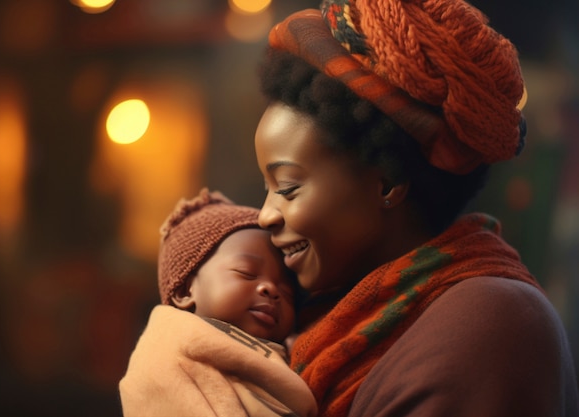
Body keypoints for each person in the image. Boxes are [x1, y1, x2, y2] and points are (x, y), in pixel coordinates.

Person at [119, 0, 579, 416]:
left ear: (388, 182)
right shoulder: (322, 316)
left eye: (289, 187)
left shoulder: (488, 324)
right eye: (266, 188)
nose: (265, 215)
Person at [122, 188, 317, 417]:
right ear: (186, 291)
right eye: (247, 272)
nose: (271, 289)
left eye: (287, 291)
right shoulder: (164, 354)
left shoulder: (300, 353)